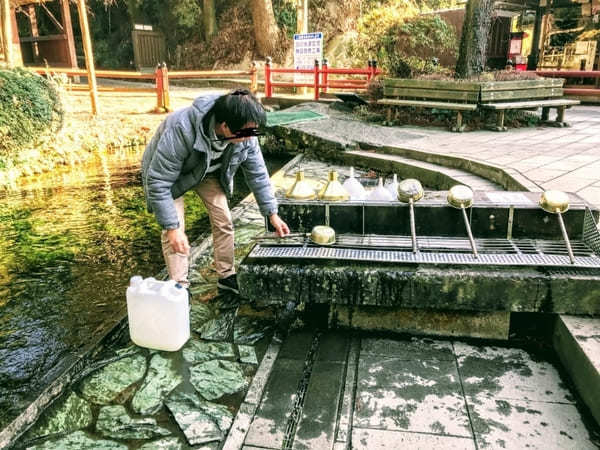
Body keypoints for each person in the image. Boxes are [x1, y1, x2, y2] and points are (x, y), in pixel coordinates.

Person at [142, 88, 290, 295]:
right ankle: (179, 288)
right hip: (171, 177)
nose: (250, 137)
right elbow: (158, 181)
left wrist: (272, 213)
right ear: (225, 126)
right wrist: (172, 228)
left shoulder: (246, 132)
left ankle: (226, 276)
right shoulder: (181, 129)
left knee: (224, 219)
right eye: (246, 133)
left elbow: (257, 174)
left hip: (208, 172)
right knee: (174, 231)